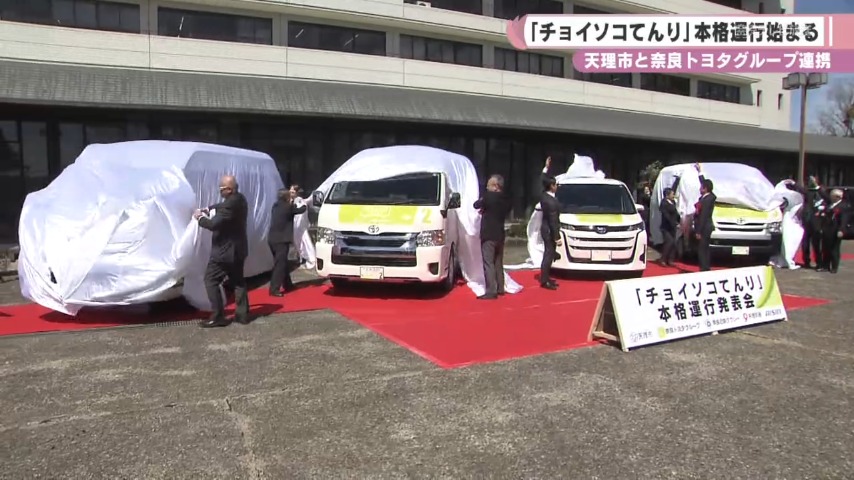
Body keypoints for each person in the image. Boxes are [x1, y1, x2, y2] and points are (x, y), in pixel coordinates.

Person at [193, 175, 250, 328]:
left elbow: (213, 224)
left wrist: (199, 217)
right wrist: (209, 208)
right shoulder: (240, 199)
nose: (220, 191)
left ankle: (218, 316)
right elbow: (222, 205)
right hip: (239, 250)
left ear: (229, 189)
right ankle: (242, 315)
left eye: (221, 189)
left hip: (224, 253)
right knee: (238, 282)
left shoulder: (228, 206)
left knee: (210, 280)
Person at [474, 175, 512, 300]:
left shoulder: (489, 196)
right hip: (500, 234)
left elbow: (476, 204)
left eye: (489, 185)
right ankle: (500, 287)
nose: (487, 187)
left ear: (495, 186)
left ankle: (491, 290)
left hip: (489, 233)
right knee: (498, 262)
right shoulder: (506, 199)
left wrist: (483, 205)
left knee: (488, 262)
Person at [268, 185, 307, 296]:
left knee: (282, 262)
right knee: (280, 265)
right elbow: (301, 209)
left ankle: (288, 284)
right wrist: (303, 202)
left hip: (272, 239)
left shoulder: (275, 205)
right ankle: (274, 289)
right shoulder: (288, 207)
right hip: (281, 240)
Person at [786, 176, 828, 269]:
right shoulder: (808, 192)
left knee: (816, 245)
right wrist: (793, 183)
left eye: (812, 181)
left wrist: (817, 186)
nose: (810, 183)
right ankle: (806, 261)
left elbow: (827, 199)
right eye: (809, 181)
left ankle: (819, 263)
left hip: (817, 224)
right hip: (807, 222)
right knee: (805, 244)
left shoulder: (821, 192)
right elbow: (801, 190)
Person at [539, 173, 562, 290]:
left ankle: (546, 277)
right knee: (548, 255)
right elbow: (553, 221)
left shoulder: (544, 196)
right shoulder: (550, 202)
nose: (557, 187)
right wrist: (556, 237)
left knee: (549, 254)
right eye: (555, 185)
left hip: (546, 229)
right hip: (549, 231)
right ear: (552, 186)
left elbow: (542, 179)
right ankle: (544, 280)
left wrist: (546, 170)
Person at [693, 163, 715, 272]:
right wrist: (699, 172)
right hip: (705, 226)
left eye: (701, 187)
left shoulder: (708, 199)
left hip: (704, 227)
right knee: (704, 247)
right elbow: (704, 182)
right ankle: (705, 267)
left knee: (702, 249)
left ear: (705, 189)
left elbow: (703, 216)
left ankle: (704, 268)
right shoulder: (707, 196)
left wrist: (698, 231)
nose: (700, 188)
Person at [822, 189, 849, 274]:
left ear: (837, 197)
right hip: (827, 229)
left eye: (832, 196)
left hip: (835, 229)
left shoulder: (843, 206)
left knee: (834, 249)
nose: (831, 197)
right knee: (826, 248)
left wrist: (841, 230)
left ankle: (834, 267)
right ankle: (825, 266)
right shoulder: (831, 205)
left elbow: (844, 219)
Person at [658, 186, 680, 267]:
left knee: (674, 243)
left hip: (673, 226)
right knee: (669, 242)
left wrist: (679, 221)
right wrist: (674, 223)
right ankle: (663, 259)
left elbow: (675, 213)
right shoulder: (664, 203)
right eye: (672, 194)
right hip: (666, 226)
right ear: (667, 195)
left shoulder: (673, 202)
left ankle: (670, 260)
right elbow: (666, 215)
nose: (673, 195)